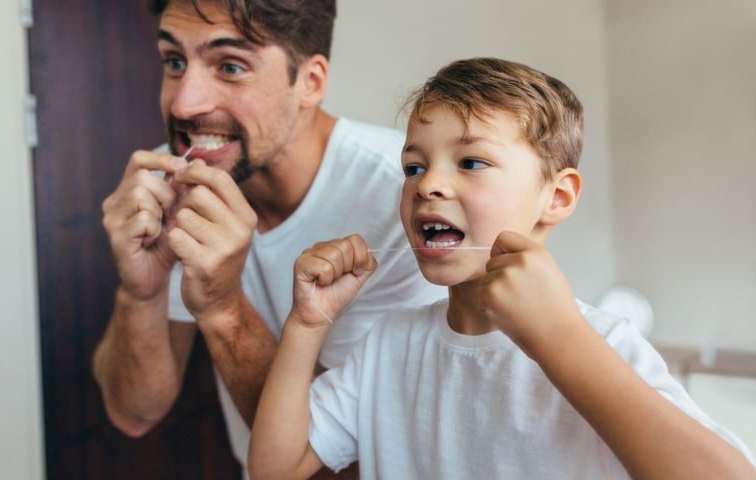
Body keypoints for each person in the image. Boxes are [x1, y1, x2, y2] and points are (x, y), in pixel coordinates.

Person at [248, 57, 756, 479]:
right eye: (413, 167)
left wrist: (557, 337)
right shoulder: (387, 346)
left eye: (470, 163)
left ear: (556, 197)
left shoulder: (602, 341)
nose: (427, 186)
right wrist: (307, 325)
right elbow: (276, 468)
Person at [92, 0, 445, 475]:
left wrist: (223, 309)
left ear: (310, 82)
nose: (183, 104)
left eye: (231, 66)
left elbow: (358, 468)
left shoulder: (408, 204)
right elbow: (133, 413)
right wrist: (141, 291)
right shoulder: (172, 184)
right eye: (175, 62)